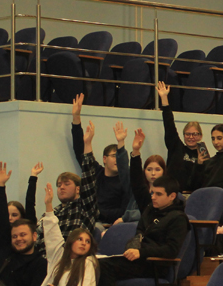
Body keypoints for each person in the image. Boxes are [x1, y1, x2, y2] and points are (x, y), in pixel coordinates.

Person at [85, 175, 188, 286]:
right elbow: (139, 233)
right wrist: (133, 247)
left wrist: (142, 252)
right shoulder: (150, 210)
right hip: (140, 259)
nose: (153, 197)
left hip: (156, 265)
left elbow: (171, 250)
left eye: (158, 194)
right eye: (152, 193)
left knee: (105, 267)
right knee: (92, 263)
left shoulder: (178, 219)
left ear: (172, 196)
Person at [0, 184, 98, 286]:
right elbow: (52, 232)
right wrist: (49, 205)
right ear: (71, 241)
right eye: (79, 239)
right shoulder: (59, 257)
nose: (84, 243)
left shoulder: (88, 263)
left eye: (87, 241)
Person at [71, 94, 129, 225]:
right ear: (104, 159)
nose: (117, 160)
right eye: (114, 156)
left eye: (119, 157)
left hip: (110, 225)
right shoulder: (96, 172)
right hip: (89, 221)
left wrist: (98, 213)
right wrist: (76, 118)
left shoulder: (125, 181)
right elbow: (81, 151)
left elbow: (123, 211)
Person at [55, 110, 102, 238]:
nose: (61, 187)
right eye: (59, 185)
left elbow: (88, 177)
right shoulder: (54, 212)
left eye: (66, 184)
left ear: (78, 189)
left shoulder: (85, 207)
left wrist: (87, 144)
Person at [0, 163, 40, 261]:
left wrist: (33, 177)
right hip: (5, 266)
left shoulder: (29, 227)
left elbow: (30, 204)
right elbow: (1, 214)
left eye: (14, 215)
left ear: (22, 217)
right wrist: (0, 185)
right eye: (7, 215)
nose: (10, 218)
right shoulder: (3, 234)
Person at [156, 81, 205, 193]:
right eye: (187, 134)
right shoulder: (176, 147)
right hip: (170, 192)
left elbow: (201, 182)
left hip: (191, 195)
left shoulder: (203, 156)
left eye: (195, 134)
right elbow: (169, 125)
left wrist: (200, 164)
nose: (191, 137)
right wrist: (164, 98)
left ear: (200, 136)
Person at [113, 129, 167, 225]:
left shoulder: (168, 192)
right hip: (130, 227)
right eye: (149, 169)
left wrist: (126, 217)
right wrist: (121, 143)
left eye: (157, 169)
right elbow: (123, 170)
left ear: (164, 171)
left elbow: (151, 212)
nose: (153, 173)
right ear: (144, 171)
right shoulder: (136, 189)